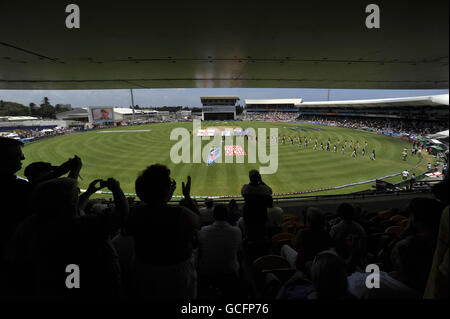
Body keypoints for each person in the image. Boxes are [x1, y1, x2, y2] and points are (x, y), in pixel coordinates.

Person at [4, 176, 128, 299]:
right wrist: (116, 188)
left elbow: (76, 210)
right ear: (70, 202)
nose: (77, 198)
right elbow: (121, 214)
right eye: (75, 195)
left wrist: (89, 192)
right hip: (92, 287)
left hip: (52, 286)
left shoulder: (31, 225)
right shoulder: (84, 225)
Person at [128, 164, 200, 299]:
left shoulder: (135, 212)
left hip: (144, 271)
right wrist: (187, 197)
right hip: (177, 274)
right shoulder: (180, 213)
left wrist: (164, 196)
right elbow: (199, 222)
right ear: (166, 190)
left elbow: (154, 207)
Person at [347, 235, 435, 299]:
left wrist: (353, 255)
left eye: (394, 253)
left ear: (398, 262)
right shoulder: (426, 288)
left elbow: (341, 283)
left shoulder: (368, 287)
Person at [197, 204, 242, 278]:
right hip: (230, 272)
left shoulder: (203, 230)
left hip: (206, 272)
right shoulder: (236, 231)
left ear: (214, 216)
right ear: (227, 216)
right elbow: (239, 251)